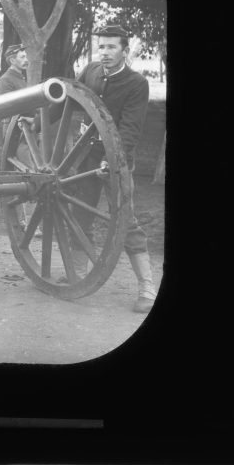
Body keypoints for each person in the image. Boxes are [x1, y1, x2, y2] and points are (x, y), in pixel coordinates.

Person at [68, 24, 156, 313]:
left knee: (126, 221)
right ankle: (76, 276)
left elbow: (130, 130)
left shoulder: (135, 84)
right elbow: (69, 101)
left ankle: (147, 289)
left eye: (111, 47)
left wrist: (113, 159)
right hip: (86, 159)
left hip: (115, 161)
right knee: (79, 213)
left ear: (125, 51)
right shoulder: (91, 72)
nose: (104, 53)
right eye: (101, 47)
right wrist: (37, 121)